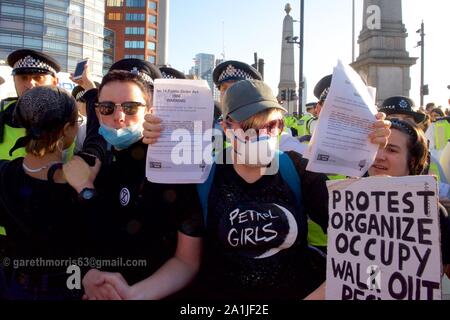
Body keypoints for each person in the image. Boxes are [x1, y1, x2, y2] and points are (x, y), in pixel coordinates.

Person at [143, 79, 391, 300]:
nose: (261, 136)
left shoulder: (297, 170)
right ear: (226, 128)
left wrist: (370, 155)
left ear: (281, 126)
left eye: (271, 126)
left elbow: (360, 237)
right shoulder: (204, 174)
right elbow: (186, 261)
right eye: (248, 127)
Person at [70, 62, 203, 300]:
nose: (119, 117)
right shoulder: (97, 166)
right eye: (107, 107)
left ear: (150, 111)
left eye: (130, 107)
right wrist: (87, 274)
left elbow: (187, 260)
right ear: (97, 111)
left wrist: (132, 296)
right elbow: (81, 238)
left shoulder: (174, 168)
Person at [0, 86, 96, 300]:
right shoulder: (76, 184)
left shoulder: (4, 172)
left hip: (12, 284)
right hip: (64, 288)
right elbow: (93, 142)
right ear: (67, 129)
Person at [368, 118, 450, 278]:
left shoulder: (432, 213)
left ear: (412, 160)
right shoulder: (351, 205)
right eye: (375, 147)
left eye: (391, 150)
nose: (379, 156)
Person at [0, 49, 61, 160]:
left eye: (38, 77)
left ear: (54, 82)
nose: (30, 84)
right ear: (14, 80)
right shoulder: (2, 112)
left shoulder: (69, 119)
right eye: (23, 78)